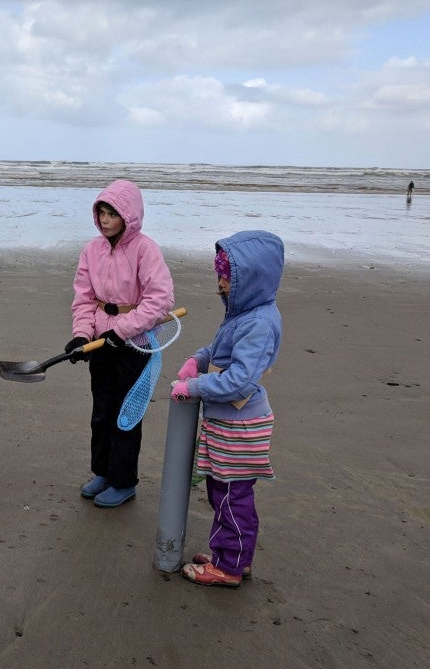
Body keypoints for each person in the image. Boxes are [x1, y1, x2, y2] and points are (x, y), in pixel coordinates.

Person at [171, 230, 284, 587]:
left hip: (241, 424)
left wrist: (194, 386)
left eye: (228, 278)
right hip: (228, 422)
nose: (220, 284)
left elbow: (239, 380)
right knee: (221, 491)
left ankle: (229, 568)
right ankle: (231, 554)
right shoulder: (243, 314)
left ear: (251, 280)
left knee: (232, 496)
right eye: (219, 275)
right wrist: (198, 359)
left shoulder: (260, 323)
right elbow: (221, 351)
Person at [66, 180, 174, 507]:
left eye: (112, 213)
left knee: (125, 416)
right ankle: (103, 472)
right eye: (101, 212)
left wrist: (122, 331)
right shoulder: (91, 250)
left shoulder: (146, 249)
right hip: (101, 343)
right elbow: (84, 300)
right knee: (101, 412)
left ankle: (124, 481)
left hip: (134, 345)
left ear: (128, 215)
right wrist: (82, 335)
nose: (105, 219)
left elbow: (160, 301)